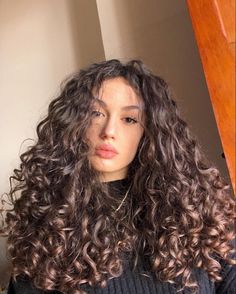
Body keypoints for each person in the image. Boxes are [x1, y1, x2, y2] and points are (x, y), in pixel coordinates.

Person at [1, 59, 235, 294]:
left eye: (129, 119)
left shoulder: (198, 215)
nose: (109, 131)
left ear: (150, 132)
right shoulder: (45, 229)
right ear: (73, 123)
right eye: (96, 113)